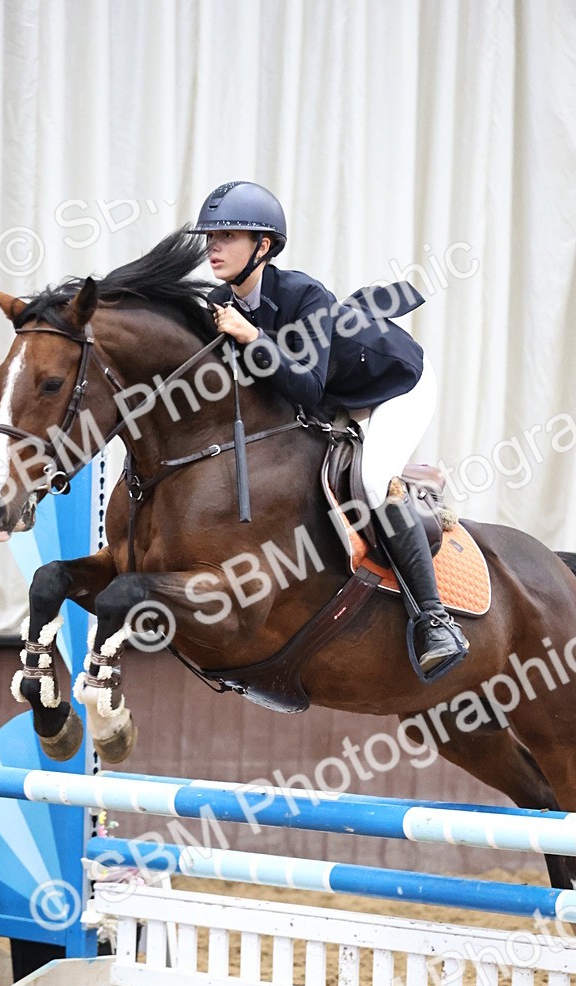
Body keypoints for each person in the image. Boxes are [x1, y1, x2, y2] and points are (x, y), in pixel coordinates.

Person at [192, 180, 468, 682]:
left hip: (396, 385)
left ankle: (435, 620)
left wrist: (253, 336)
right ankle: (419, 473)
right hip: (336, 394)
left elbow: (307, 386)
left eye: (228, 235)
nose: (214, 246)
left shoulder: (304, 295)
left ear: (264, 247)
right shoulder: (220, 302)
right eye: (211, 235)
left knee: (367, 484)